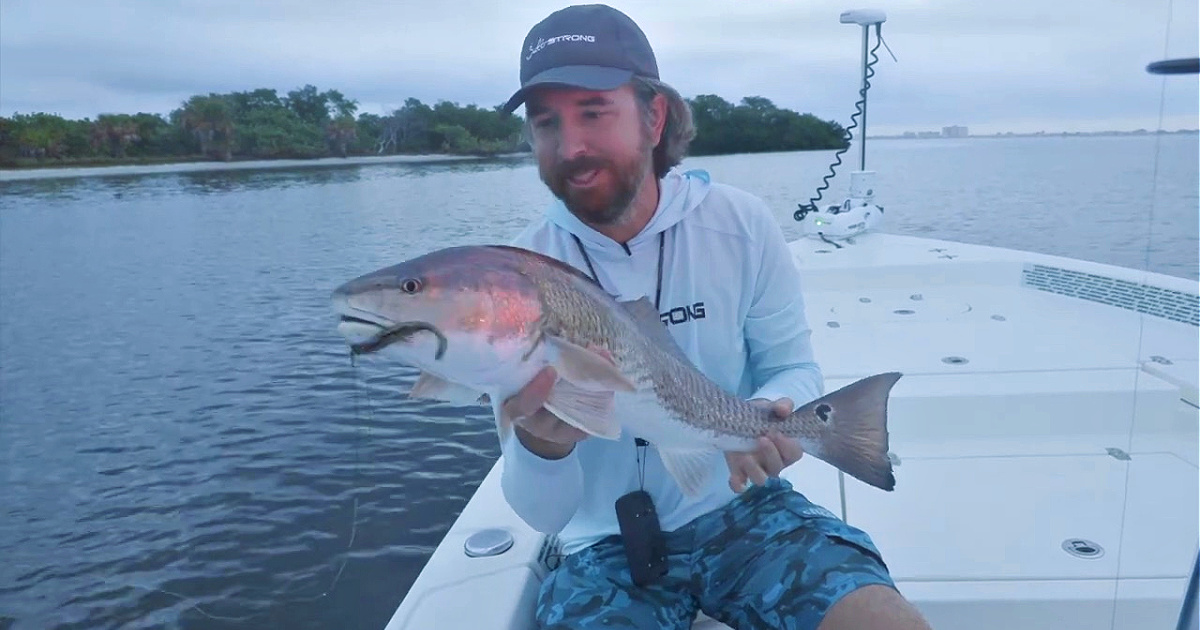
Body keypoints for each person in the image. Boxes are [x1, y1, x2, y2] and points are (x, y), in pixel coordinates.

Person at [496, 5, 932, 629]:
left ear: (654, 117)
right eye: (546, 123)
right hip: (603, 546)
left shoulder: (740, 223)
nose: (571, 147)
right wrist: (541, 446)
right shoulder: (513, 282)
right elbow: (542, 514)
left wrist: (773, 415)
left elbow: (791, 364)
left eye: (594, 112)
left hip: (744, 506)